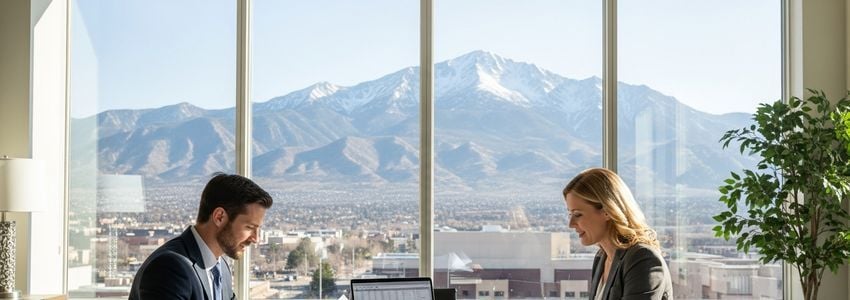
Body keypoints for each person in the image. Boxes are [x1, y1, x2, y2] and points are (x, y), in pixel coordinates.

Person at [129, 173, 274, 300]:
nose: (255, 238)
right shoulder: (170, 267)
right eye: (249, 227)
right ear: (219, 217)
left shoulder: (221, 267)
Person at [563, 168, 672, 300]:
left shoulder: (642, 259)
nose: (571, 223)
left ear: (607, 211)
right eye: (570, 214)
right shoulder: (601, 258)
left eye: (577, 214)